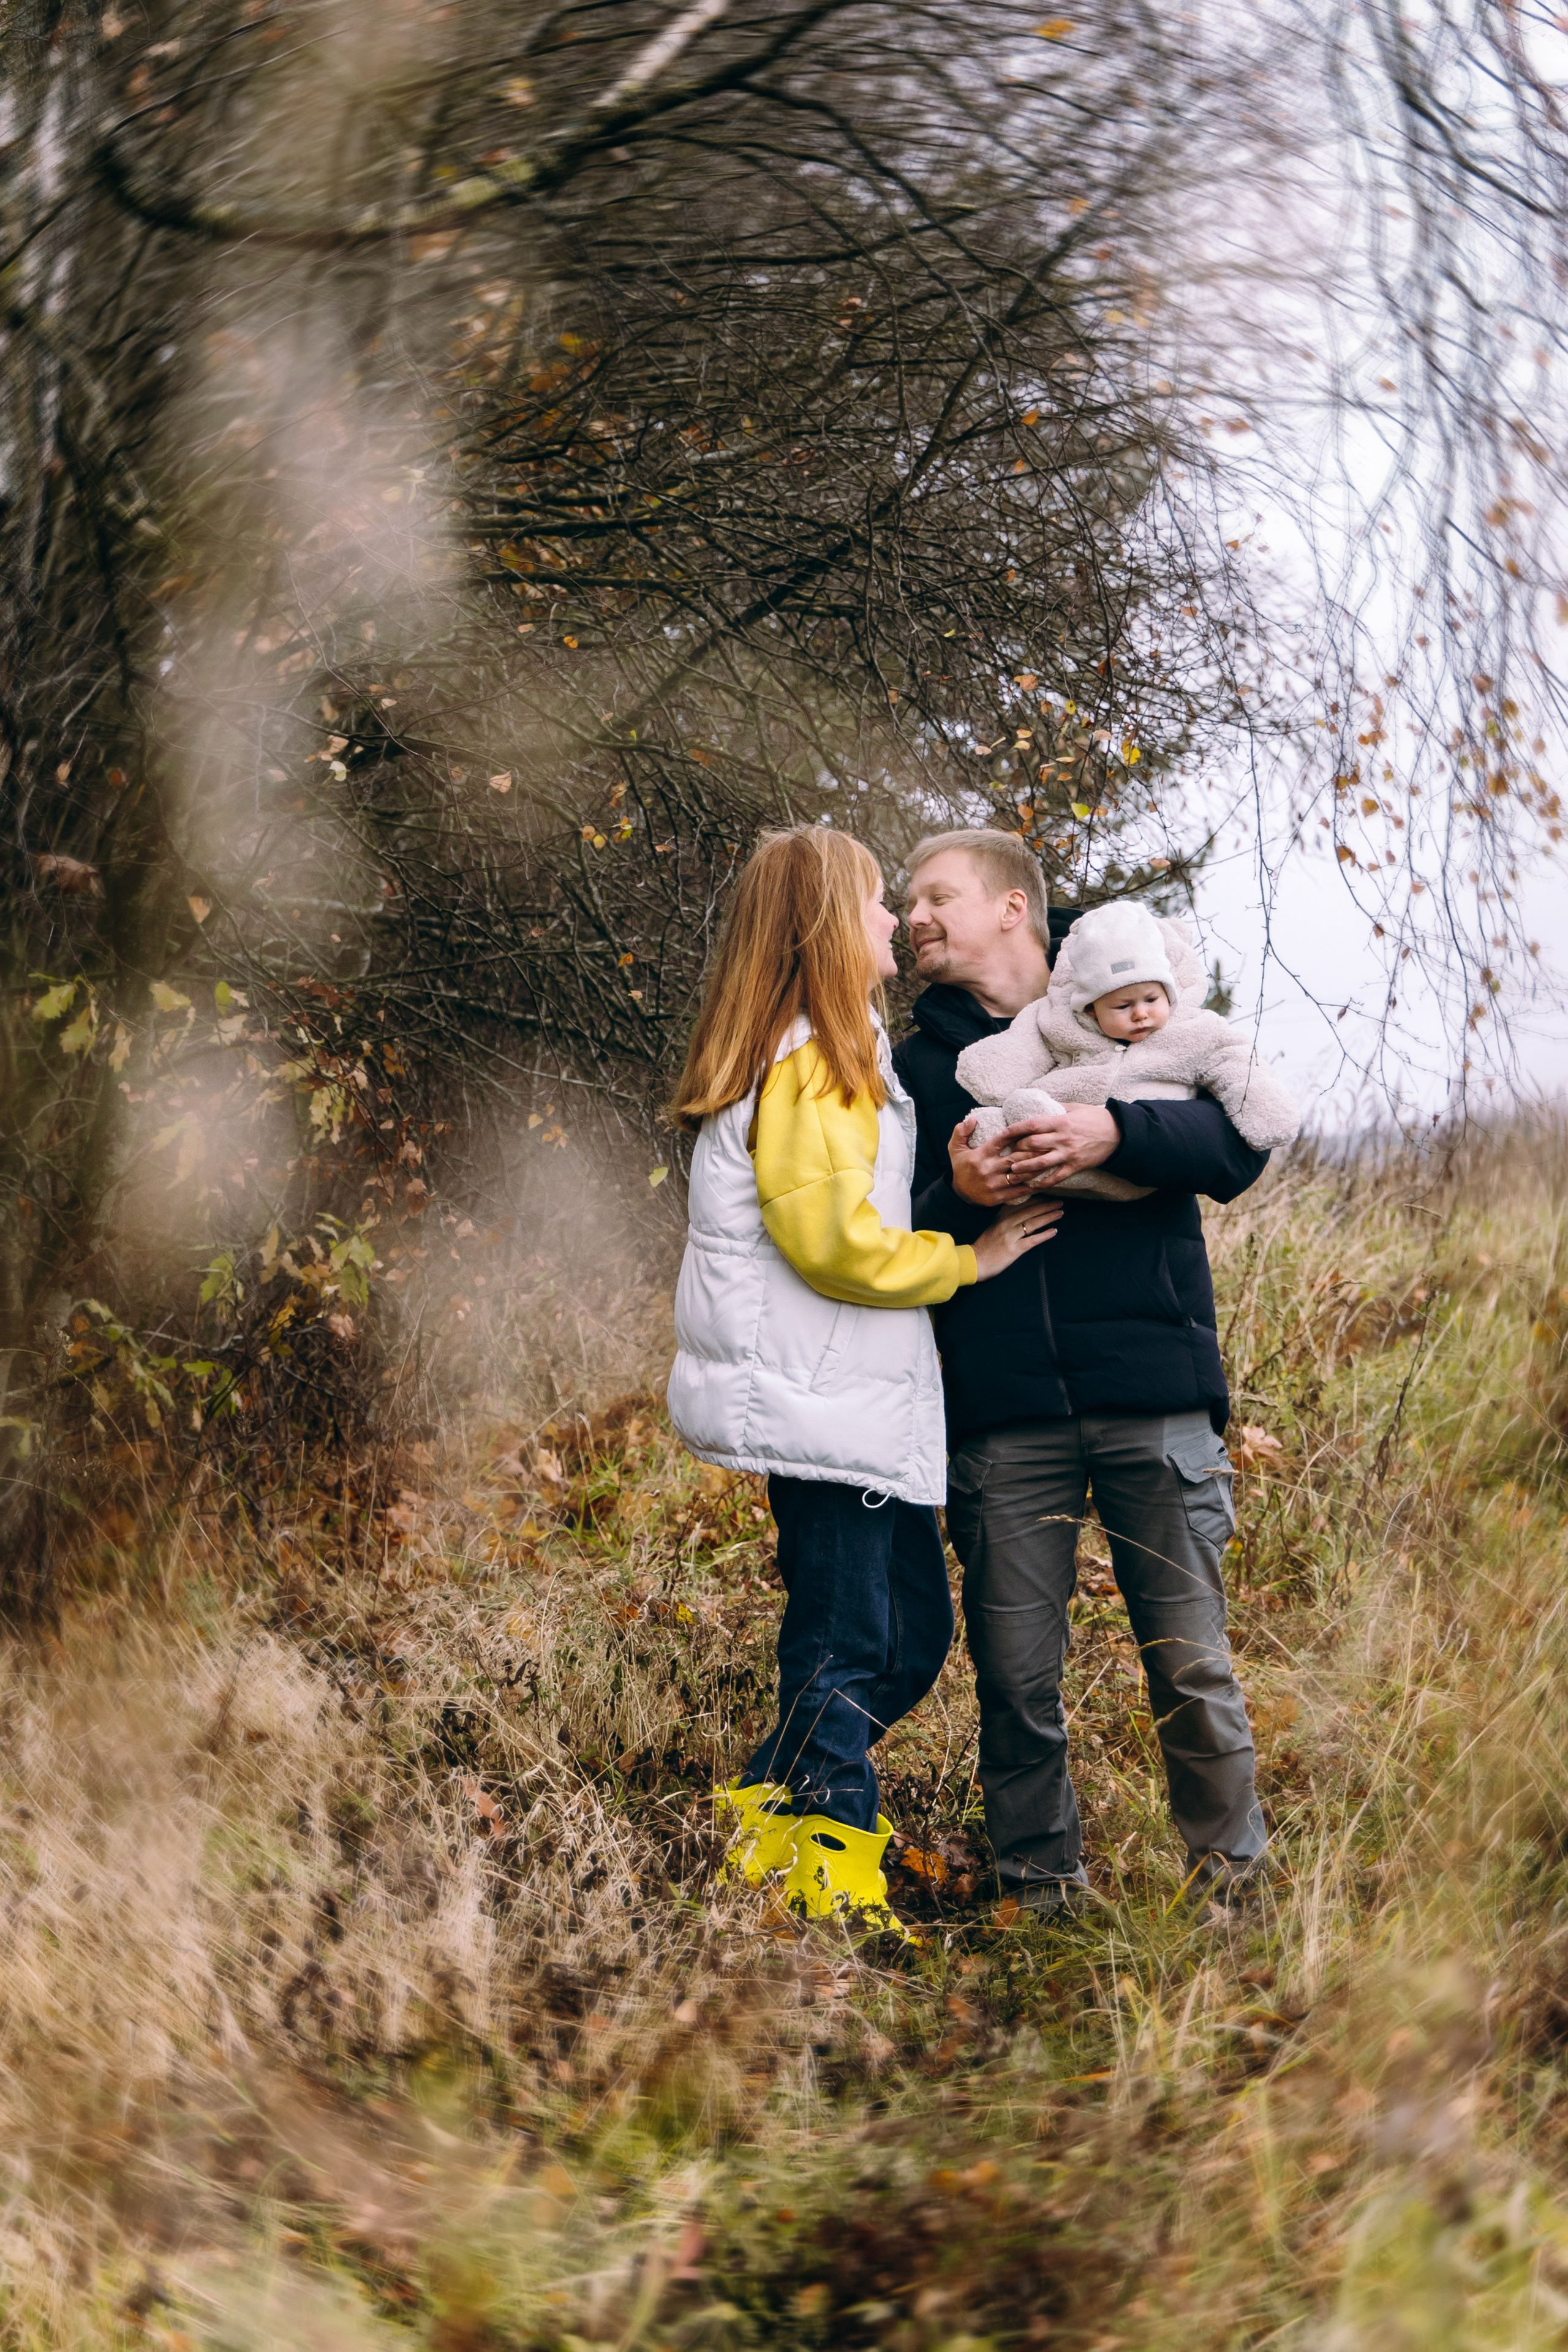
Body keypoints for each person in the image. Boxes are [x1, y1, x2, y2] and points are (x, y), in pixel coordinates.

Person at [666, 826, 1060, 1931]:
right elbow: (835, 1241)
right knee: (847, 1648)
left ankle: (768, 1812)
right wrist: (966, 1256)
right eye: (881, 904)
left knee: (906, 1641)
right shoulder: (813, 1065)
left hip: (846, 1406)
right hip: (825, 1409)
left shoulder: (827, 1060)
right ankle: (831, 1882)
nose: (897, 924)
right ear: (830, 928)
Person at [892, 830, 1273, 1912]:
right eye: (908, 903)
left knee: (1191, 1666)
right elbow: (897, 1234)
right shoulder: (918, 1067)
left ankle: (1232, 1898)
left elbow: (1238, 1145)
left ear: (1014, 908)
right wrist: (963, 1194)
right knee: (1016, 1681)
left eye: (936, 897)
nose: (915, 917)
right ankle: (1041, 1896)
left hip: (1153, 1393)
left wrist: (1118, 1133)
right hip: (1001, 1417)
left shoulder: (1131, 993)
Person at [956, 898, 1300, 1200]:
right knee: (994, 1125)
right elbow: (1017, 1051)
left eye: (1152, 999)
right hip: (1052, 1128)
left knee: (1029, 1126)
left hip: (1140, 1171)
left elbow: (1237, 1064)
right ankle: (1023, 1166)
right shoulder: (1060, 1024)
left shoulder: (1196, 1033)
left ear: (1170, 994)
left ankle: (1032, 1165)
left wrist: (1265, 1110)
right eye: (1122, 1006)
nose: (1141, 1014)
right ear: (1092, 1009)